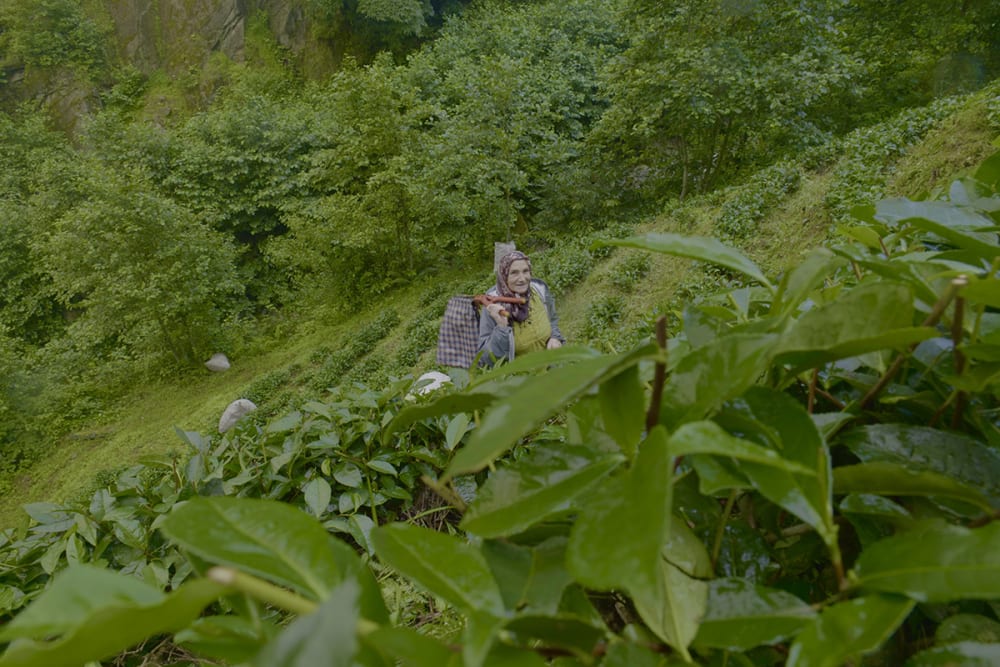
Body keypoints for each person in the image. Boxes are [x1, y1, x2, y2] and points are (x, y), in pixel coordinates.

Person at [477, 250, 565, 367]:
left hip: (552, 369)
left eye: (525, 271)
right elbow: (486, 359)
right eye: (514, 273)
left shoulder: (539, 290)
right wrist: (502, 328)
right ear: (504, 276)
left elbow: (552, 319)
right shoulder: (493, 307)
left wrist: (555, 337)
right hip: (521, 380)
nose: (522, 278)